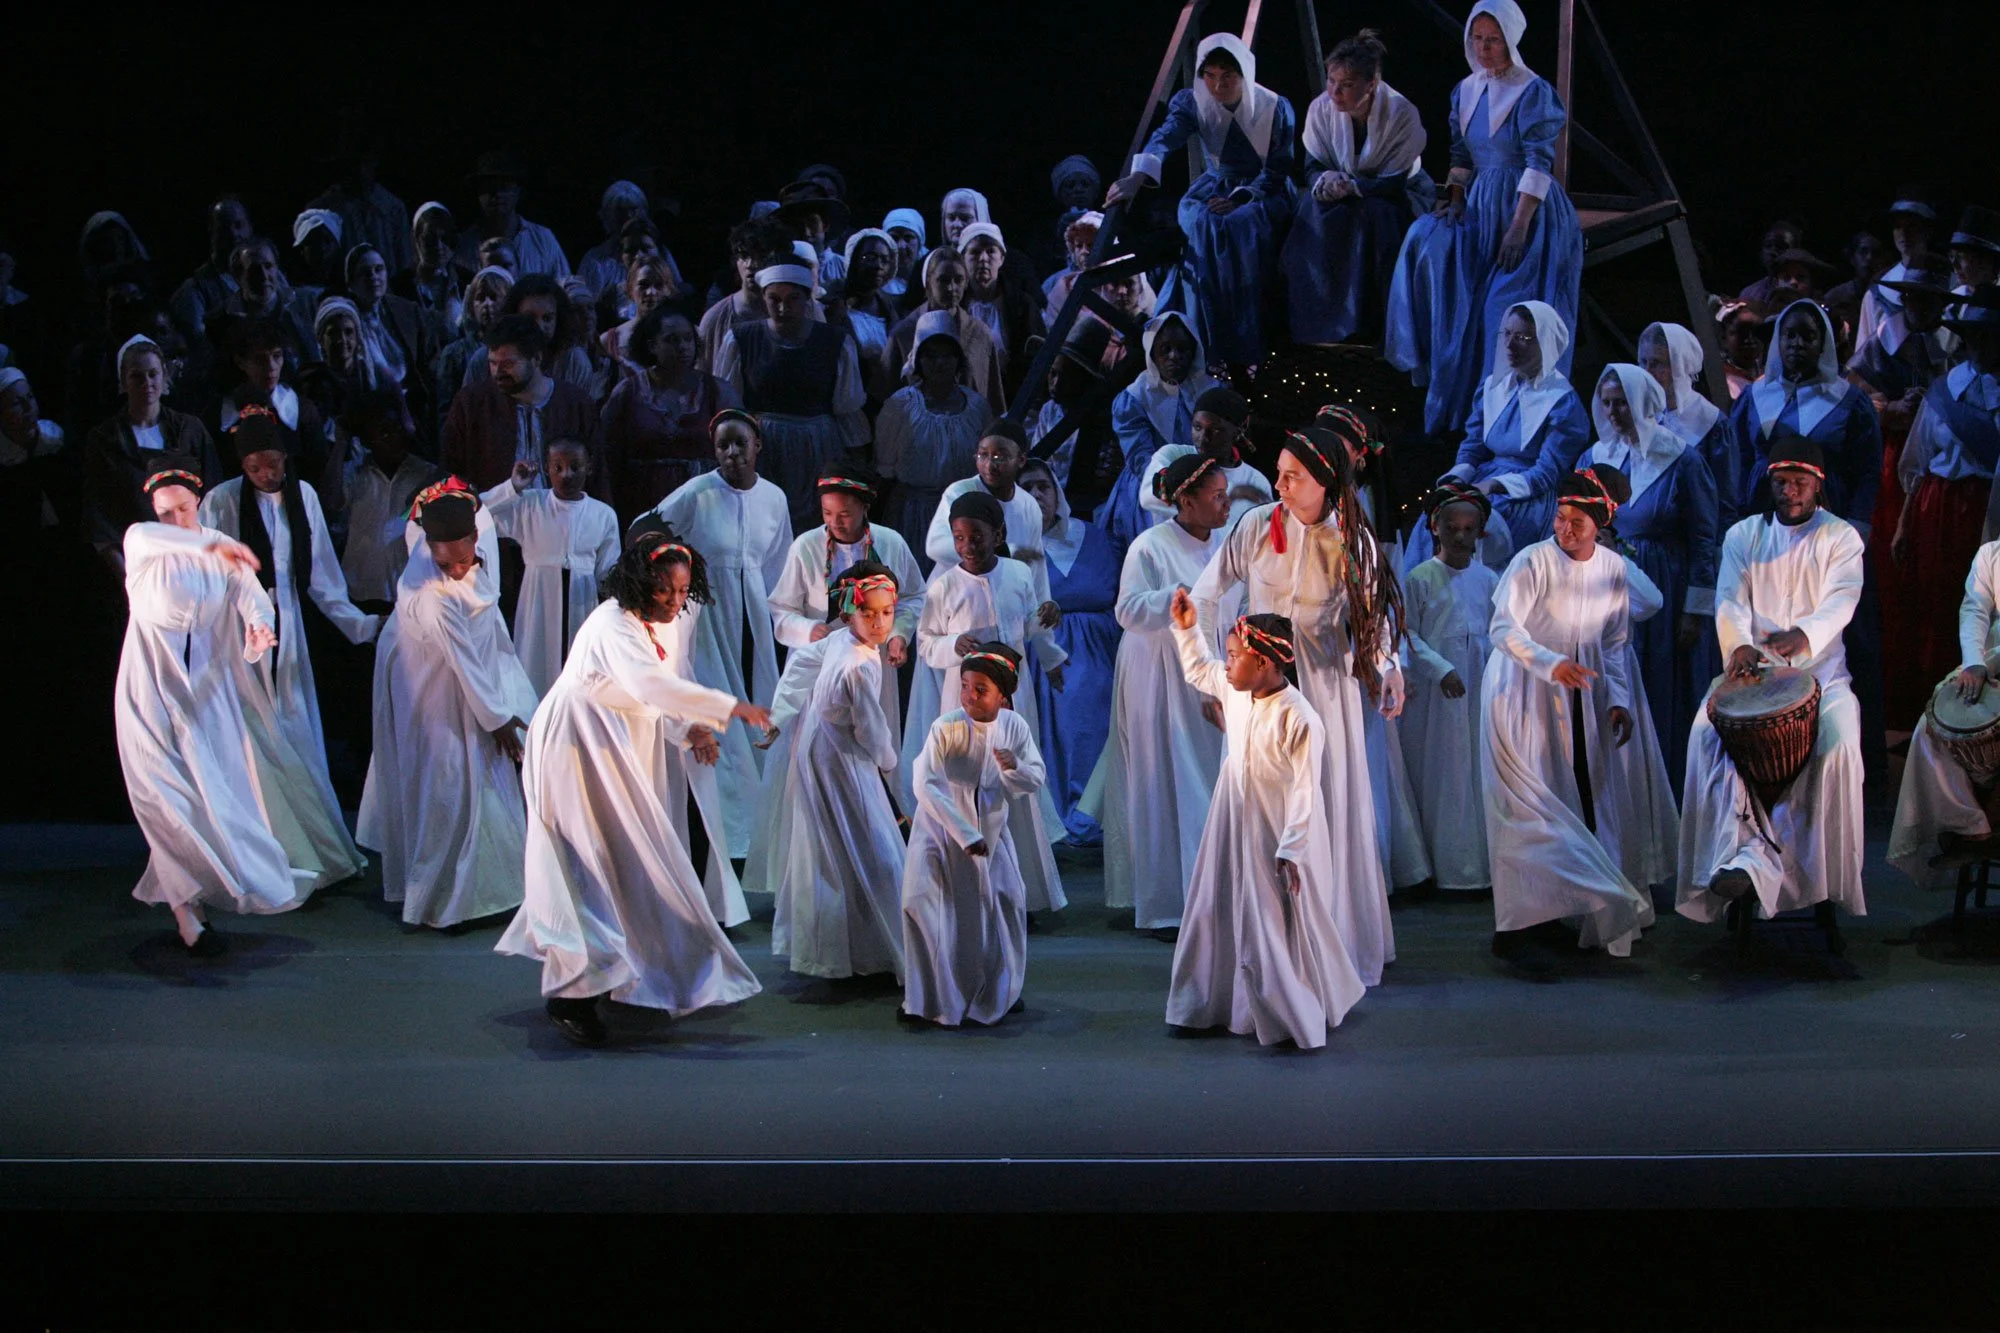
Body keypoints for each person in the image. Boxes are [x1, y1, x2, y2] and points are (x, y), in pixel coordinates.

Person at [496, 532, 770, 1047]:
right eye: (664, 589)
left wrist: (687, 729)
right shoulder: (613, 622)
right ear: (640, 583)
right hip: (574, 747)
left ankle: (625, 975)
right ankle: (571, 995)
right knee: (586, 862)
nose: (674, 600)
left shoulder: (650, 626)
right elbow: (649, 686)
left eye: (681, 591)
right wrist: (728, 707)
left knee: (624, 861)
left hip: (607, 746)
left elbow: (647, 694)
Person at [1191, 427, 1403, 986]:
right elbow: (1206, 593)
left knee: (1320, 807)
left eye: (1293, 477)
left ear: (1325, 482)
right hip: (1259, 690)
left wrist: (1389, 668)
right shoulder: (1256, 526)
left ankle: (1326, 949)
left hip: (1323, 690)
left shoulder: (1352, 542)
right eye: (1279, 473)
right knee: (1256, 810)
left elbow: (1375, 621)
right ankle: (1257, 950)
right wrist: (1217, 676)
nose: (1280, 485)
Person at [1679, 439, 1866, 949]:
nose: (1790, 492)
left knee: (1839, 748)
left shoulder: (1840, 537)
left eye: (1800, 482)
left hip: (1823, 680)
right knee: (1704, 737)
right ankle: (1731, 859)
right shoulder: (1744, 534)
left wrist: (1805, 634)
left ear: (1818, 484)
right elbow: (1729, 598)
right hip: (1753, 677)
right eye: (1781, 482)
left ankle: (1815, 877)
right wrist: (1738, 644)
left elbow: (1842, 599)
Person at [117, 468, 310, 955]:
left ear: (199, 503)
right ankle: (187, 914)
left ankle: (201, 894)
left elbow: (250, 595)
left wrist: (259, 625)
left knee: (213, 793)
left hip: (205, 684)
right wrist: (213, 546)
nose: (177, 519)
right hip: (150, 677)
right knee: (163, 795)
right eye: (166, 512)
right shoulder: (144, 540)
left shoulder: (221, 547)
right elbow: (161, 537)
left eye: (184, 509)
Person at [1162, 588, 1366, 1047]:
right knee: (1219, 904)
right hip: (1233, 815)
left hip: (1276, 828)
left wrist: (1292, 848)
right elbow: (1199, 669)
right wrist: (1188, 629)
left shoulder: (1300, 718)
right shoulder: (1237, 692)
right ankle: (1208, 1002)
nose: (1227, 665)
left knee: (1272, 919)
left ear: (1267, 662)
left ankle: (1287, 1012)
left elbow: (1305, 790)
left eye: (1235, 657)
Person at [1482, 468, 1657, 971]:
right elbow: (1503, 629)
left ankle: (1553, 917)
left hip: (1576, 697)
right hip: (1521, 690)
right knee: (1528, 808)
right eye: (1560, 518)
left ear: (1600, 524)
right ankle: (1514, 930)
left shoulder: (1612, 568)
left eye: (1577, 521)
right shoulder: (1532, 561)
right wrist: (1549, 662)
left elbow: (1615, 642)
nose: (1565, 529)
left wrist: (1618, 699)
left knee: (1574, 800)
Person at [1385, 0, 1583, 434]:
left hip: (1527, 212)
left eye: (1493, 40)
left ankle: (1510, 423)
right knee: (1431, 251)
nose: (1484, 48)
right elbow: (1461, 155)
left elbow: (1539, 162)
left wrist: (1518, 226)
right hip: (1481, 207)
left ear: (1510, 41)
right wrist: (1456, 198)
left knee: (1503, 315)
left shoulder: (1532, 91)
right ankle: (1467, 416)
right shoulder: (1466, 90)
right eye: (1478, 38)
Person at [358, 480, 539, 930]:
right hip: (434, 692)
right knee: (446, 782)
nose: (457, 571)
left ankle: (489, 891)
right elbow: (462, 658)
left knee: (479, 783)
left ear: (475, 538)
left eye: (463, 560)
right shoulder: (431, 595)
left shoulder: (474, 562)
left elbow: (483, 638)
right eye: (446, 563)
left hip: (468, 685)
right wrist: (497, 717)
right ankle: (440, 899)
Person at [198, 404, 380, 831]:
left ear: (285, 457)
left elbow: (322, 578)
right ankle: (253, 826)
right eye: (255, 468)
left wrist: (363, 625)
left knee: (292, 716)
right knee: (250, 720)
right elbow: (207, 569)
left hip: (289, 619)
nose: (266, 475)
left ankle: (303, 824)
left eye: (273, 464)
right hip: (238, 622)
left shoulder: (304, 496)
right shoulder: (222, 500)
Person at [1084, 452, 1232, 934]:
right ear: (1186, 501)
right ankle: (1166, 900)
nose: (1225, 504)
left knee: (1210, 772)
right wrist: (1174, 597)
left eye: (1226, 494)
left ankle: (1213, 893)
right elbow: (1127, 610)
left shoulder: (1227, 543)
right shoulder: (1150, 546)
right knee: (1162, 776)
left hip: (1209, 665)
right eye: (1216, 496)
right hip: (1157, 669)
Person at [903, 492, 1068, 911]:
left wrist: (1045, 616)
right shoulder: (944, 586)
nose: (967, 546)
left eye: (976, 536)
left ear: (998, 534)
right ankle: (970, 887)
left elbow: (1025, 624)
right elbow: (926, 643)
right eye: (959, 538)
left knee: (1012, 776)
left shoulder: (1017, 573)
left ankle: (1022, 893)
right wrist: (953, 644)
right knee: (970, 781)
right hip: (966, 701)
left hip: (1012, 697)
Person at [645, 409, 792, 859]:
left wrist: (777, 618)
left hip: (754, 613)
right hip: (710, 613)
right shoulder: (698, 492)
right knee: (719, 703)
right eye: (723, 446)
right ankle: (727, 826)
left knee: (758, 697)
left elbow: (778, 561)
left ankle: (764, 823)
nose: (732, 453)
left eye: (739, 444)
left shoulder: (773, 497)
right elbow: (648, 527)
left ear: (757, 446)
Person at [1105, 33, 1296, 367]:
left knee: (1240, 225)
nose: (1218, 85)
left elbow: (1279, 166)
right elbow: (1166, 136)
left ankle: (1246, 333)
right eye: (1210, 76)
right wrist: (1139, 175)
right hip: (1215, 186)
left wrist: (1242, 198)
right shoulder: (1193, 103)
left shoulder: (1274, 106)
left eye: (1228, 76)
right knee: (1203, 220)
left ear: (1244, 74)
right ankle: (1208, 334)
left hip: (1263, 190)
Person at [1577, 363, 1720, 789]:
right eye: (1607, 403)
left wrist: (1695, 609)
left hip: (1664, 584)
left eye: (1622, 403)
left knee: (1660, 686)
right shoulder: (1595, 457)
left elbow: (1703, 538)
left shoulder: (1682, 458)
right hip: (1608, 582)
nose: (1613, 412)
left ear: (1643, 402)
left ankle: (1666, 789)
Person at [766, 562, 910, 981]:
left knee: (836, 846)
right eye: (868, 613)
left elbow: (801, 666)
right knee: (873, 846)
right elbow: (869, 727)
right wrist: (887, 761)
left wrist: (780, 715)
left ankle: (855, 949)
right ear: (848, 614)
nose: (879, 623)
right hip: (841, 760)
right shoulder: (858, 664)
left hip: (821, 751)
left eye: (886, 613)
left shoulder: (842, 642)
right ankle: (887, 948)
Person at [899, 642, 1048, 1026]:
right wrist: (964, 834)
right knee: (923, 903)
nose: (969, 696)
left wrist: (1013, 768)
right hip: (940, 828)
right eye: (965, 686)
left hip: (991, 830)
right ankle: (926, 999)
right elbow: (926, 783)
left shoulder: (1013, 727)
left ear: (1003, 697)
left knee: (1004, 903)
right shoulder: (946, 727)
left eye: (981, 689)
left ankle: (1000, 989)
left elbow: (1034, 777)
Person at [1407, 300, 1588, 570]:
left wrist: (1492, 486)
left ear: (1545, 343)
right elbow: (1474, 444)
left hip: (1526, 495)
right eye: (1507, 334)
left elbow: (1546, 473)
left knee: (1477, 532)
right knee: (1434, 520)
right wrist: (1457, 479)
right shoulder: (1493, 387)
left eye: (1523, 338)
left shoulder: (1562, 402)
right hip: (1485, 480)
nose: (1510, 345)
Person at [768, 467, 925, 766]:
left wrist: (898, 635)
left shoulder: (890, 543)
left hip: (872, 656)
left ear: (864, 508)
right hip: (820, 658)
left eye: (844, 514)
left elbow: (913, 595)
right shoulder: (806, 547)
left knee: (872, 731)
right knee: (820, 741)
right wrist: (808, 629)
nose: (834, 522)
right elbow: (782, 607)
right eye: (827, 513)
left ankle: (878, 788)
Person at [1892, 285, 2000, 717]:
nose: (1981, 346)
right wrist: (1904, 524)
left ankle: (1979, 711)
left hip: (1987, 510)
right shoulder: (1944, 390)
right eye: (1974, 336)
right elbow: (1917, 460)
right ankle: (1933, 704)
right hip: (1937, 509)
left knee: (1981, 603)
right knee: (1937, 602)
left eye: (1989, 337)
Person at [1283, 30, 1430, 347]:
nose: (1335, 92)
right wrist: (1326, 180)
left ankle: (1372, 331)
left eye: (1347, 85)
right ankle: (1318, 330)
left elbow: (1395, 180)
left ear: (1371, 84)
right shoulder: (1321, 109)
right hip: (1344, 191)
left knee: (1375, 220)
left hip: (1394, 193)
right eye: (1331, 81)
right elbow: (1312, 164)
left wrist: (1353, 186)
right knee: (1312, 212)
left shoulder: (1401, 113)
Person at [713, 261, 868, 530]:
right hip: (765, 446)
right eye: (774, 299)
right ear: (763, 298)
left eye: (793, 299)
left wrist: (856, 456)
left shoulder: (834, 341)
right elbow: (729, 404)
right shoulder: (742, 339)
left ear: (807, 299)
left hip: (816, 445)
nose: (783, 308)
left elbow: (847, 408)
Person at [1399, 482, 1501, 891]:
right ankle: (1446, 866)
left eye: (1468, 529)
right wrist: (1440, 669)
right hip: (1437, 692)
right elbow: (1406, 634)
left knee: (1476, 770)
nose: (1460, 537)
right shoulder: (1420, 578)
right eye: (1451, 528)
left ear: (1480, 532)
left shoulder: (1489, 579)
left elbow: (1499, 632)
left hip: (1479, 684)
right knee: (1444, 772)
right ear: (1435, 528)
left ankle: (1480, 866)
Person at [1888, 533, 2000, 884]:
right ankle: (1969, 826)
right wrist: (1974, 662)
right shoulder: (1991, 554)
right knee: (1934, 724)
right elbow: (1975, 609)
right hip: (1993, 657)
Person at [1020, 456, 1119, 844]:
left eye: (1043, 486)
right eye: (1026, 488)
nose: (1036, 495)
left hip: (1097, 648)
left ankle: (1097, 808)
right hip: (1042, 652)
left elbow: (1110, 592)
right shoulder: (1013, 546)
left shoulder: (1092, 536)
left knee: (1094, 719)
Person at [481, 440, 620, 697]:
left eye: (575, 467)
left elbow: (607, 572)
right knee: (536, 668)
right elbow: (478, 514)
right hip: (538, 602)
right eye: (558, 467)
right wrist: (513, 487)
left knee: (579, 674)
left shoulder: (603, 514)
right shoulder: (531, 504)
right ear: (547, 469)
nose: (566, 475)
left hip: (581, 603)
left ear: (589, 468)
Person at [82, 335, 223, 576]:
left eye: (152, 374)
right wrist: (133, 582)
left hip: (197, 565)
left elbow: (215, 499)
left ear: (163, 376)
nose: (146, 382)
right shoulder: (104, 440)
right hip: (138, 569)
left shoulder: (190, 430)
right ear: (123, 381)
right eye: (137, 376)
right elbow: (100, 523)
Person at [601, 301, 738, 525]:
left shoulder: (718, 391)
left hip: (704, 507)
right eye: (672, 340)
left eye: (687, 339)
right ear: (652, 345)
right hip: (643, 506)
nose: (683, 347)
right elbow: (608, 455)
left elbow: (739, 449)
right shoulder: (628, 393)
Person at [874, 312, 993, 563]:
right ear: (918, 359)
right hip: (913, 514)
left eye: (947, 355)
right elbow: (885, 470)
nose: (939, 363)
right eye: (930, 355)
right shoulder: (901, 406)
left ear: (958, 359)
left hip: (962, 515)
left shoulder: (976, 407)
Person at [441, 314, 602, 494]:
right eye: (493, 363)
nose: (498, 372)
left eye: (508, 364)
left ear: (536, 359)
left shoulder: (575, 404)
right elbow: (451, 471)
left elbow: (596, 475)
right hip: (495, 509)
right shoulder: (471, 403)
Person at [1098, 311, 1214, 553]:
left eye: (1182, 349)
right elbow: (1139, 456)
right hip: (1152, 484)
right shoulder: (1135, 397)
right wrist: (1172, 490)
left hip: (1205, 480)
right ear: (1152, 352)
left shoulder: (1209, 391)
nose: (1174, 356)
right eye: (1165, 349)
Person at [922, 419, 1060, 611]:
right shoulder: (961, 491)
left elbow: (1036, 565)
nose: (989, 465)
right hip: (953, 601)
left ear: (1021, 460)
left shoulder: (1028, 505)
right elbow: (936, 546)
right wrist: (1007, 552)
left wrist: (1042, 607)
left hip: (1000, 604)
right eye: (983, 455)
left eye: (999, 457)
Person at [337, 391, 439, 608]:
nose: (395, 439)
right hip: (362, 589)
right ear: (368, 440)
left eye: (398, 430)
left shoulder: (426, 475)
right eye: (384, 434)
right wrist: (340, 445)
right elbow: (331, 502)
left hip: (413, 590)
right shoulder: (354, 474)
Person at [882, 248, 1007, 409]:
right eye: (943, 280)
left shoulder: (980, 333)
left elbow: (992, 395)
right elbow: (885, 396)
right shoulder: (904, 333)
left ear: (966, 282)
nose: (951, 288)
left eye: (958, 280)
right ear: (928, 282)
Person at [1136, 385, 1273, 530]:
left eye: (1216, 430)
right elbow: (1149, 498)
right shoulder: (1172, 456)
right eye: (1197, 427)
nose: (1203, 438)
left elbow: (1261, 531)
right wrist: (1231, 494)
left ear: (1240, 429)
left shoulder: (1255, 481)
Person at [343, 243, 439, 430]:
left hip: (415, 406)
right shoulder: (345, 319)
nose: (374, 277)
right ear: (351, 283)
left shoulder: (407, 311)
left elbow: (431, 357)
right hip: (371, 411)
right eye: (365, 272)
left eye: (379, 269)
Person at [957, 222, 1045, 402]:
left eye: (991, 251)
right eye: (975, 252)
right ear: (962, 259)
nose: (983, 259)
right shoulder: (954, 304)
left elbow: (1037, 358)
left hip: (1011, 398)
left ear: (1002, 258)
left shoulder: (1022, 305)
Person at [454, 151, 569, 278]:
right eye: (488, 187)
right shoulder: (465, 244)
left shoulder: (543, 239)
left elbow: (565, 284)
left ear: (518, 192)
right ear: (478, 194)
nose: (497, 194)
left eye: (504, 187)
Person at [696, 216, 787, 372]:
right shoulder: (715, 319)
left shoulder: (803, 309)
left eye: (761, 256)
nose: (750, 264)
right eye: (744, 256)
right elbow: (703, 377)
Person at [168, 196, 253, 361]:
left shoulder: (270, 276)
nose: (233, 234)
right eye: (224, 228)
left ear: (250, 228)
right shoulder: (194, 290)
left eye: (238, 225)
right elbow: (200, 349)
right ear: (212, 233)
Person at [1854, 193, 1938, 359]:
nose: (1904, 233)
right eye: (1898, 226)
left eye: (1912, 226)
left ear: (1927, 231)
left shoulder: (1949, 283)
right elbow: (1864, 353)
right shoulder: (1878, 290)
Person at [830, 228, 902, 410]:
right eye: (869, 258)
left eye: (885, 260)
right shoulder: (833, 307)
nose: (878, 265)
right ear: (853, 260)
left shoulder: (891, 310)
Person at [392, 201, 473, 344]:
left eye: (444, 239)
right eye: (430, 240)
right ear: (416, 240)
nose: (438, 246)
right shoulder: (400, 286)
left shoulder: (467, 280)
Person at [597, 255, 678, 380]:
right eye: (643, 285)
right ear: (630, 289)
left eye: (659, 285)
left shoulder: (687, 337)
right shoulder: (609, 340)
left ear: (669, 290)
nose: (650, 292)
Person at [574, 181, 652, 299]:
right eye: (620, 210)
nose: (628, 216)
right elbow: (582, 303)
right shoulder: (595, 260)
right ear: (608, 216)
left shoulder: (658, 252)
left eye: (633, 209)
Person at [1738, 220, 1805, 313]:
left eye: (1781, 246)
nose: (1772, 252)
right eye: (1768, 245)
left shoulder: (1802, 288)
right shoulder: (1749, 293)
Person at [1715, 299, 1763, 401]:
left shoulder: (1770, 370)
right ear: (1724, 338)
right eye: (1742, 332)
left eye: (1756, 332)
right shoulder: (1723, 381)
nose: (1750, 339)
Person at [1949, 207, 2000, 295]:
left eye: (1961, 257)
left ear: (1987, 261)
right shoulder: (1954, 299)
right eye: (1951, 256)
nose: (1955, 265)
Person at [882, 207, 927, 305]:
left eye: (908, 237)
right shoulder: (878, 282)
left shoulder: (931, 274)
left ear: (919, 243)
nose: (901, 246)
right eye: (894, 238)